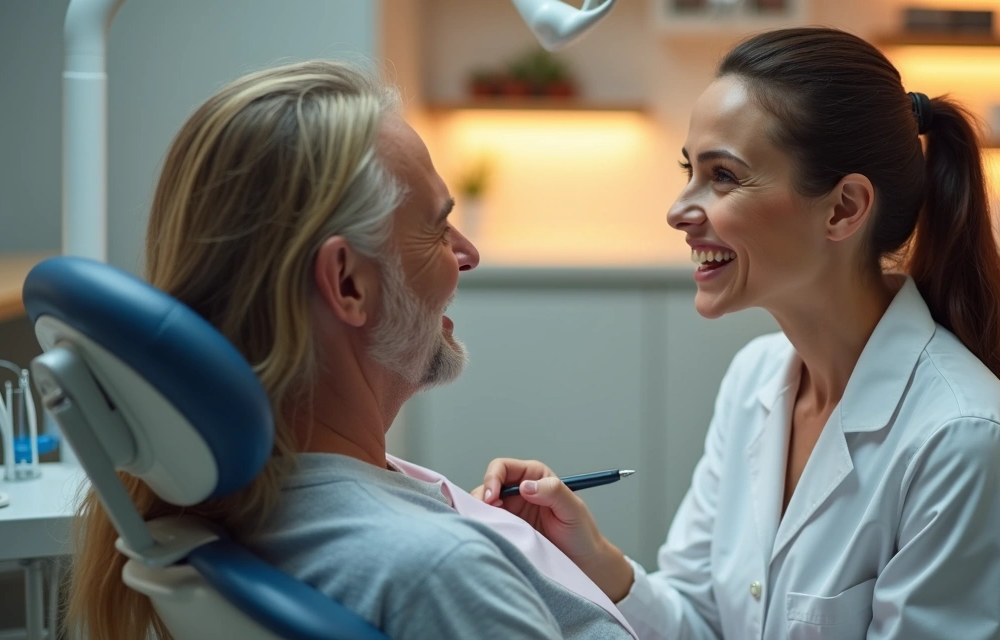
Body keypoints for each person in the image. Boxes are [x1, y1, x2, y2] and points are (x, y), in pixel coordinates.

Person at [474, 27, 1000, 639]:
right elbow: (699, 621)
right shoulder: (754, 381)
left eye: (724, 177)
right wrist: (590, 553)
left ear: (843, 208)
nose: (679, 211)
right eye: (690, 171)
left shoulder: (964, 444)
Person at [65, 60, 634, 640]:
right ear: (348, 285)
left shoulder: (237, 507)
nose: (467, 254)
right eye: (438, 228)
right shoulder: (436, 573)